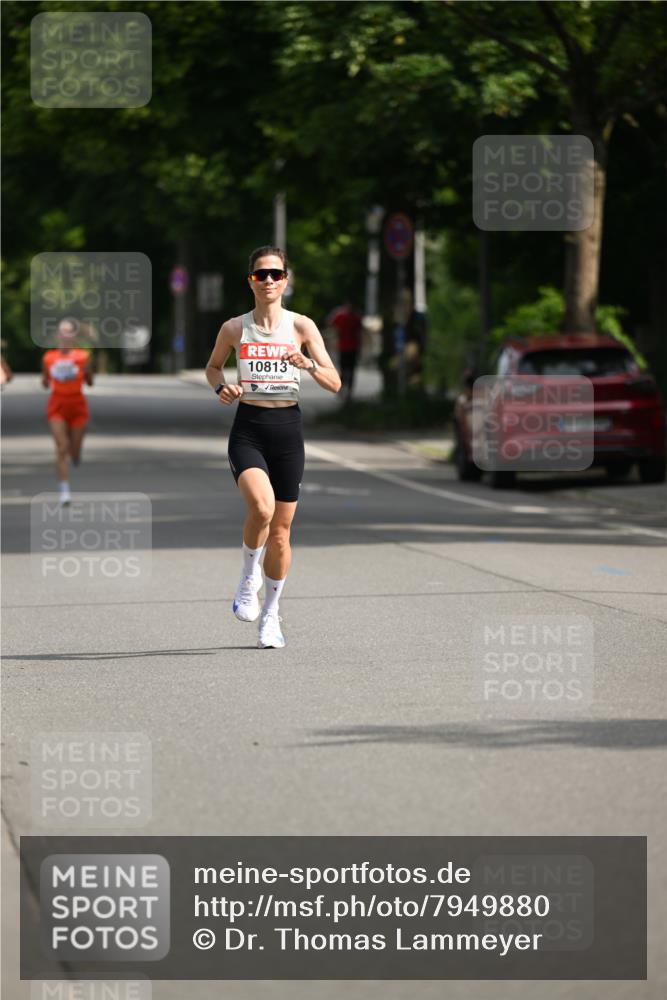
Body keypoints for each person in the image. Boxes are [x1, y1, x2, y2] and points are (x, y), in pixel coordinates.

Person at [206, 246, 341, 648]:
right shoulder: (234, 328)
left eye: (275, 274)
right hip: (249, 428)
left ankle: (271, 615)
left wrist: (308, 365)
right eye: (260, 275)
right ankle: (249, 578)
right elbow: (213, 366)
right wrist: (221, 386)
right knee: (261, 509)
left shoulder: (302, 327)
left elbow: (334, 383)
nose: (268, 281)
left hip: (288, 431)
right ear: (250, 280)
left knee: (281, 533)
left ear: (286, 280)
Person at [41, 319, 94, 505]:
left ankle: (77, 454)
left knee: (74, 449)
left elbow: (89, 381)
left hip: (78, 405)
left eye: (69, 332)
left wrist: (87, 373)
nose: (65, 335)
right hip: (57, 405)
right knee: (61, 447)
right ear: (57, 335)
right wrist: (51, 379)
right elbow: (45, 381)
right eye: (62, 332)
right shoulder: (49, 358)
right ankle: (64, 491)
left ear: (73, 336)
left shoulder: (82, 357)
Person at [327, 301, 363, 403]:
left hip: (344, 347)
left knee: (345, 369)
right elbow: (359, 333)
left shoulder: (341, 315)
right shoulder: (354, 317)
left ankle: (344, 390)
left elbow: (332, 325)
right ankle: (348, 391)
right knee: (350, 370)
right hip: (350, 347)